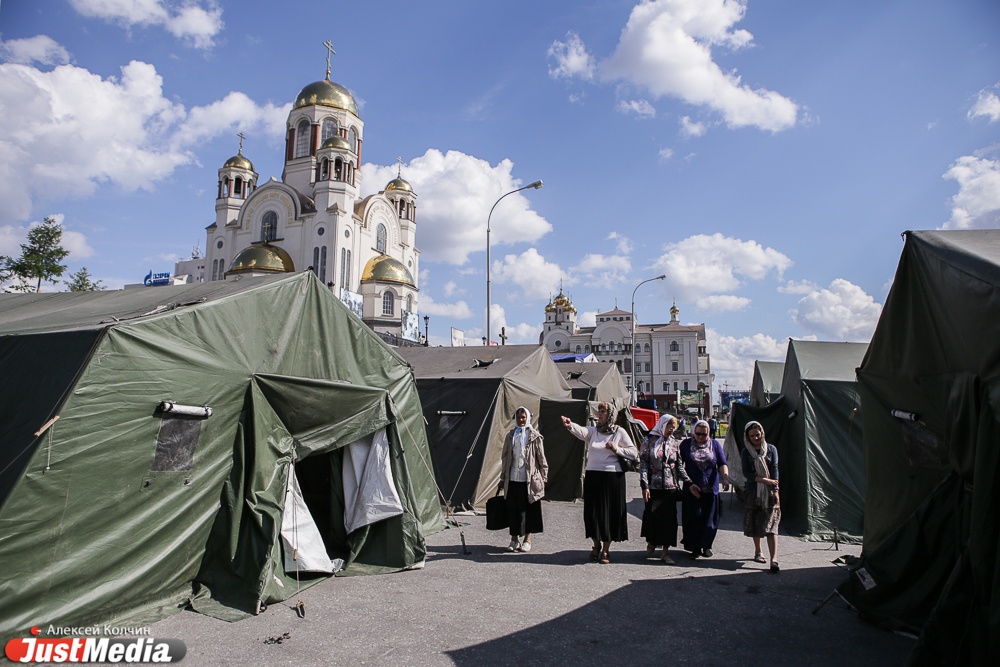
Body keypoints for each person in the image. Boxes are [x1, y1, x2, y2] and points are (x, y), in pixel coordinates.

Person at [561, 402, 638, 564]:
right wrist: (569, 425)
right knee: (593, 513)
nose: (600, 414)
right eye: (600, 411)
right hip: (593, 478)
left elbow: (633, 453)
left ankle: (605, 550)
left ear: (611, 415)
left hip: (612, 479)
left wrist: (616, 449)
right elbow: (581, 431)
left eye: (604, 411)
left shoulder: (619, 432)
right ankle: (595, 545)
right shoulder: (594, 431)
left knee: (609, 514)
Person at [639, 415, 691, 565]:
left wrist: (688, 482)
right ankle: (652, 542)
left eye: (674, 427)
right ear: (662, 425)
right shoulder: (649, 440)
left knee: (669, 521)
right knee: (653, 517)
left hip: (670, 487)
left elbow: (679, 466)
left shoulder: (674, 442)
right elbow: (643, 464)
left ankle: (665, 552)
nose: (672, 430)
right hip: (653, 487)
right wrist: (644, 485)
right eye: (669, 427)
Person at [498, 406, 548, 552]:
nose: (521, 420)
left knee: (529, 510)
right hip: (513, 478)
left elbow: (541, 458)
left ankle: (527, 539)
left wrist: (544, 477)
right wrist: (502, 477)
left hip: (529, 480)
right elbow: (506, 457)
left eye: (523, 417)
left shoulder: (534, 436)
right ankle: (514, 539)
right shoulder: (511, 435)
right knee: (513, 510)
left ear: (527, 418)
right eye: (519, 417)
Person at [679, 419, 731, 559]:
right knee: (694, 518)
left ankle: (707, 545)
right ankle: (695, 547)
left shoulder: (714, 444)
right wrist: (687, 482)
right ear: (693, 432)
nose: (701, 437)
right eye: (698, 434)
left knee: (710, 520)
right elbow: (678, 465)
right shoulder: (686, 444)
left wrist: (725, 478)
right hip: (692, 487)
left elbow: (721, 462)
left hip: (710, 487)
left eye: (704, 434)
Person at [741, 420, 780, 572]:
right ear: (748, 437)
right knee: (755, 521)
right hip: (753, 490)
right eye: (752, 436)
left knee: (772, 524)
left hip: (770, 490)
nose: (755, 438)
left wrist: (775, 489)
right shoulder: (746, 452)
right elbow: (747, 473)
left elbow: (774, 469)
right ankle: (758, 551)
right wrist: (764, 480)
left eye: (757, 435)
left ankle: (774, 559)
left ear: (762, 434)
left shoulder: (771, 449)